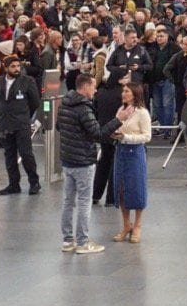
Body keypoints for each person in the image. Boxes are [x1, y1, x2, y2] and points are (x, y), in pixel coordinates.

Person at [57, 74, 120, 254]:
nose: (96, 90)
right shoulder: (84, 109)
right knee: (84, 202)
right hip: (83, 161)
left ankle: (68, 241)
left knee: (68, 201)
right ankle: (83, 242)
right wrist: (118, 121)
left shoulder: (64, 104)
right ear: (85, 87)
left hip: (67, 160)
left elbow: (59, 126)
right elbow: (98, 134)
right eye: (93, 86)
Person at [110, 83, 153, 244]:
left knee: (136, 188)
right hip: (120, 151)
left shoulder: (142, 113)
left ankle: (137, 225)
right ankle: (126, 224)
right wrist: (115, 134)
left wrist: (127, 138)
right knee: (121, 188)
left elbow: (147, 136)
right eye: (123, 91)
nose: (123, 93)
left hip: (135, 153)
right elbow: (117, 125)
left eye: (127, 91)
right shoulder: (121, 110)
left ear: (135, 94)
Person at [0, 56, 40, 195]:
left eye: (18, 66)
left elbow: (35, 102)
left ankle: (34, 182)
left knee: (26, 154)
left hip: (21, 124)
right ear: (6, 67)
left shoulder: (27, 81)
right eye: (13, 66)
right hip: (5, 123)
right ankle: (14, 184)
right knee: (9, 155)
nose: (16, 69)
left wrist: (24, 115)